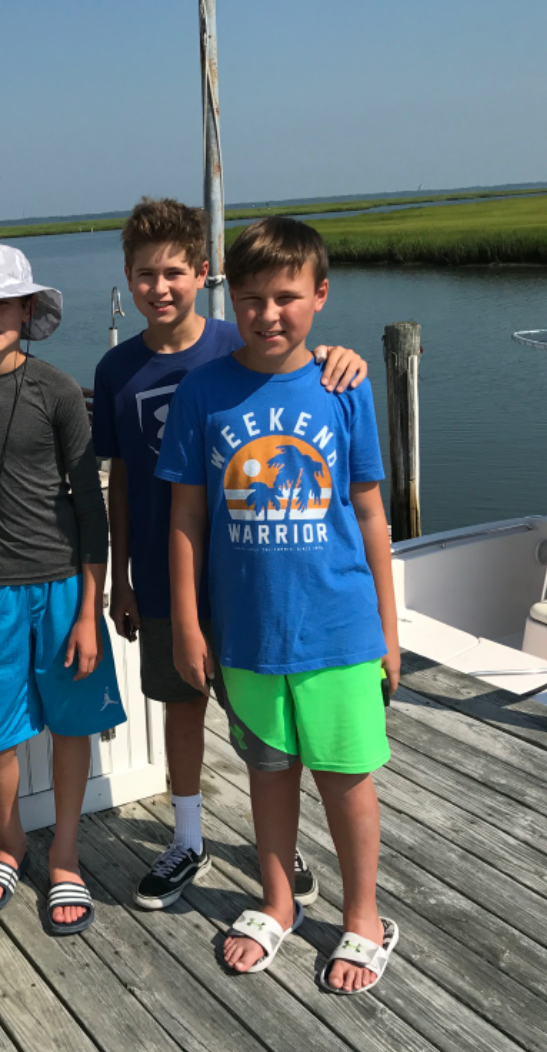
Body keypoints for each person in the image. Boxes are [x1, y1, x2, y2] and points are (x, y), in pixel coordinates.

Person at [92, 198, 368, 911]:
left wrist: (345, 355)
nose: (160, 288)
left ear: (204, 275)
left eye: (174, 273)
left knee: (279, 718)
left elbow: (299, 359)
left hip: (257, 572)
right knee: (182, 704)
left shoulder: (234, 340)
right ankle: (188, 837)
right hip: (165, 565)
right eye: (146, 275)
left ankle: (282, 847)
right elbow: (121, 476)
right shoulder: (117, 367)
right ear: (128, 279)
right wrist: (122, 573)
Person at [157, 217, 400, 994]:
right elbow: (187, 518)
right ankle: (278, 900)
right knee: (267, 771)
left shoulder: (346, 384)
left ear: (319, 297)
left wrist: (391, 633)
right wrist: (190, 623)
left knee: (344, 774)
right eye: (254, 298)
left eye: (287, 297)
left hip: (339, 628)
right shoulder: (203, 390)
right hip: (248, 635)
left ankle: (364, 916)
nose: (269, 314)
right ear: (235, 297)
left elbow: (369, 514)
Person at [0, 244, 123, 935]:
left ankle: (66, 854)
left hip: (64, 589)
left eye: (0, 302)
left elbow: (90, 508)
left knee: (71, 724)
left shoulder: (57, 391)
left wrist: (88, 609)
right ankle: (11, 842)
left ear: (26, 309)